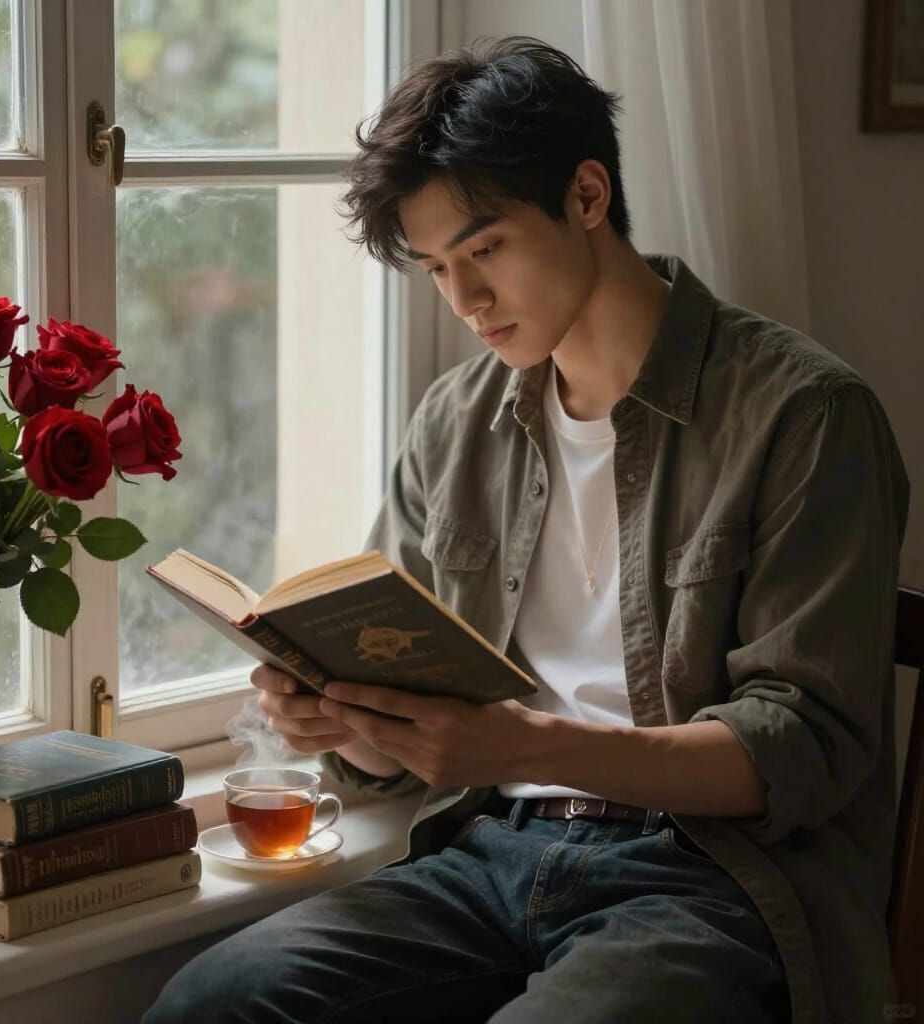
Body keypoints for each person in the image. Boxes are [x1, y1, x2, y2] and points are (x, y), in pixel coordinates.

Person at [143, 36, 910, 1024]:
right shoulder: (456, 423)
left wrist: (512, 745)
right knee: (209, 1002)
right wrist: (344, 720)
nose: (463, 299)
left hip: (711, 880)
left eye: (485, 249)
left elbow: (800, 746)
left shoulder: (803, 414)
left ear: (586, 196)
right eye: (434, 269)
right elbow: (414, 717)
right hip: (484, 852)